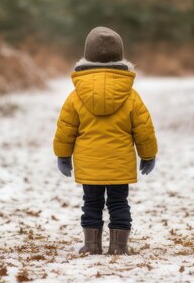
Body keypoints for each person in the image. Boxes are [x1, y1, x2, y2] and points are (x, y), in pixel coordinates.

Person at [53, 26, 158, 255]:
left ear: (87, 57)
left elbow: (65, 128)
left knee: (91, 204)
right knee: (119, 204)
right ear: (120, 57)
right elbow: (144, 128)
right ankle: (119, 246)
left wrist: (63, 155)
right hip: (119, 164)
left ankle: (91, 246)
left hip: (89, 164)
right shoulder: (130, 95)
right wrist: (148, 155)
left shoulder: (76, 96)